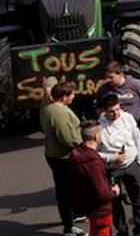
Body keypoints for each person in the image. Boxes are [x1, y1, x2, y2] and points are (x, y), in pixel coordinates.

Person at [96, 62, 140, 202]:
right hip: (116, 133)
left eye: (111, 77)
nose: (108, 81)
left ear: (120, 74)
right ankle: (130, 190)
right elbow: (99, 107)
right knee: (122, 162)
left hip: (136, 129)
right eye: (107, 77)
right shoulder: (104, 90)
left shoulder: (136, 85)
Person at [97, 94, 140, 236]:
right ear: (104, 111)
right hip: (113, 169)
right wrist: (112, 158)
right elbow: (95, 154)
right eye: (112, 111)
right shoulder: (99, 127)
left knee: (139, 197)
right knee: (115, 202)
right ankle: (122, 230)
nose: (116, 114)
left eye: (118, 109)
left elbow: (138, 138)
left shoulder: (128, 118)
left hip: (132, 165)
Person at [41, 81, 83, 236]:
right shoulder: (60, 113)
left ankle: (71, 219)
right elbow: (67, 138)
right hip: (63, 158)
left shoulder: (48, 108)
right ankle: (69, 226)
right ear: (64, 97)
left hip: (53, 154)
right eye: (72, 94)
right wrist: (83, 144)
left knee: (64, 190)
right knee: (66, 192)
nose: (74, 96)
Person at [69, 120, 120, 236]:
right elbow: (102, 194)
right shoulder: (93, 163)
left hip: (88, 205)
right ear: (96, 136)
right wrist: (114, 192)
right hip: (100, 210)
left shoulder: (77, 155)